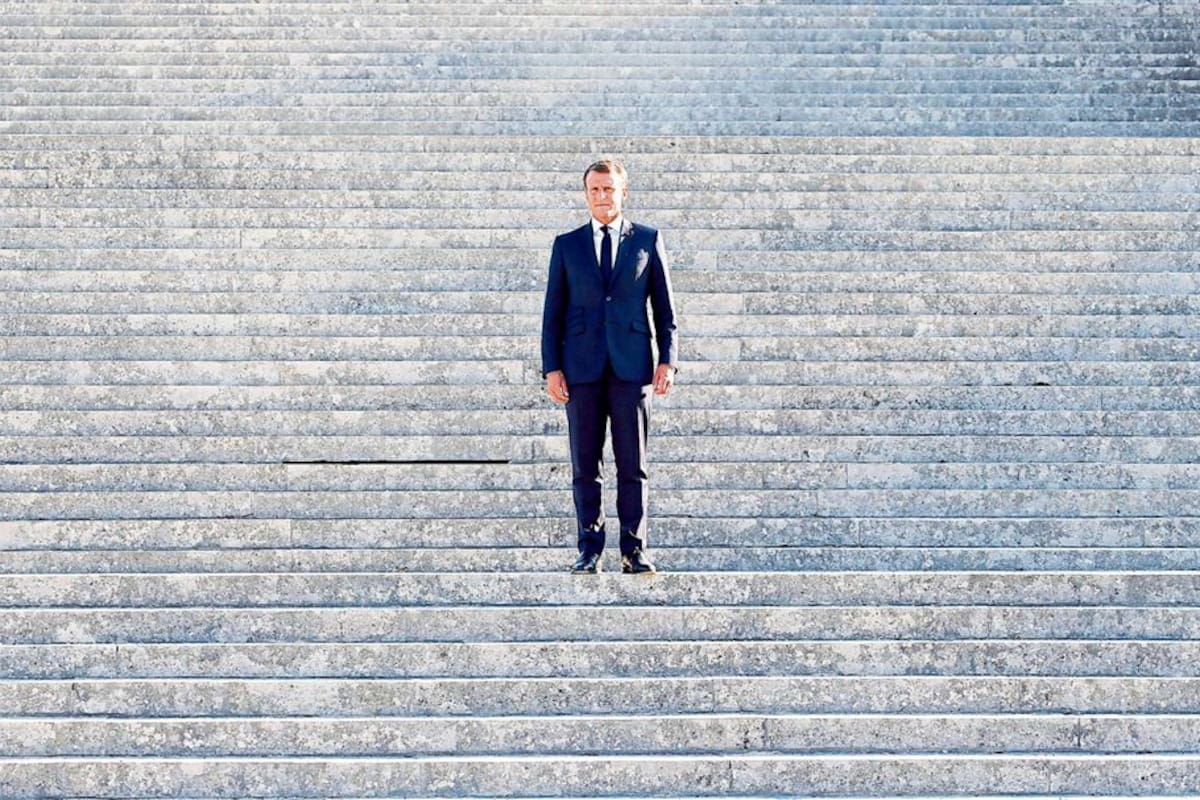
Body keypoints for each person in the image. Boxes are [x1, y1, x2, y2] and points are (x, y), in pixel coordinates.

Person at [540, 159, 678, 574]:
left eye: (610, 189)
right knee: (586, 464)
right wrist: (552, 367)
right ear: (586, 194)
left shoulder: (648, 240)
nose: (603, 197)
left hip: (632, 367)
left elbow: (666, 311)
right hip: (580, 368)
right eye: (596, 190)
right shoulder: (567, 245)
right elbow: (553, 312)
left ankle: (634, 550)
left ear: (624, 192)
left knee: (633, 464)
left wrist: (668, 360)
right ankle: (589, 548)